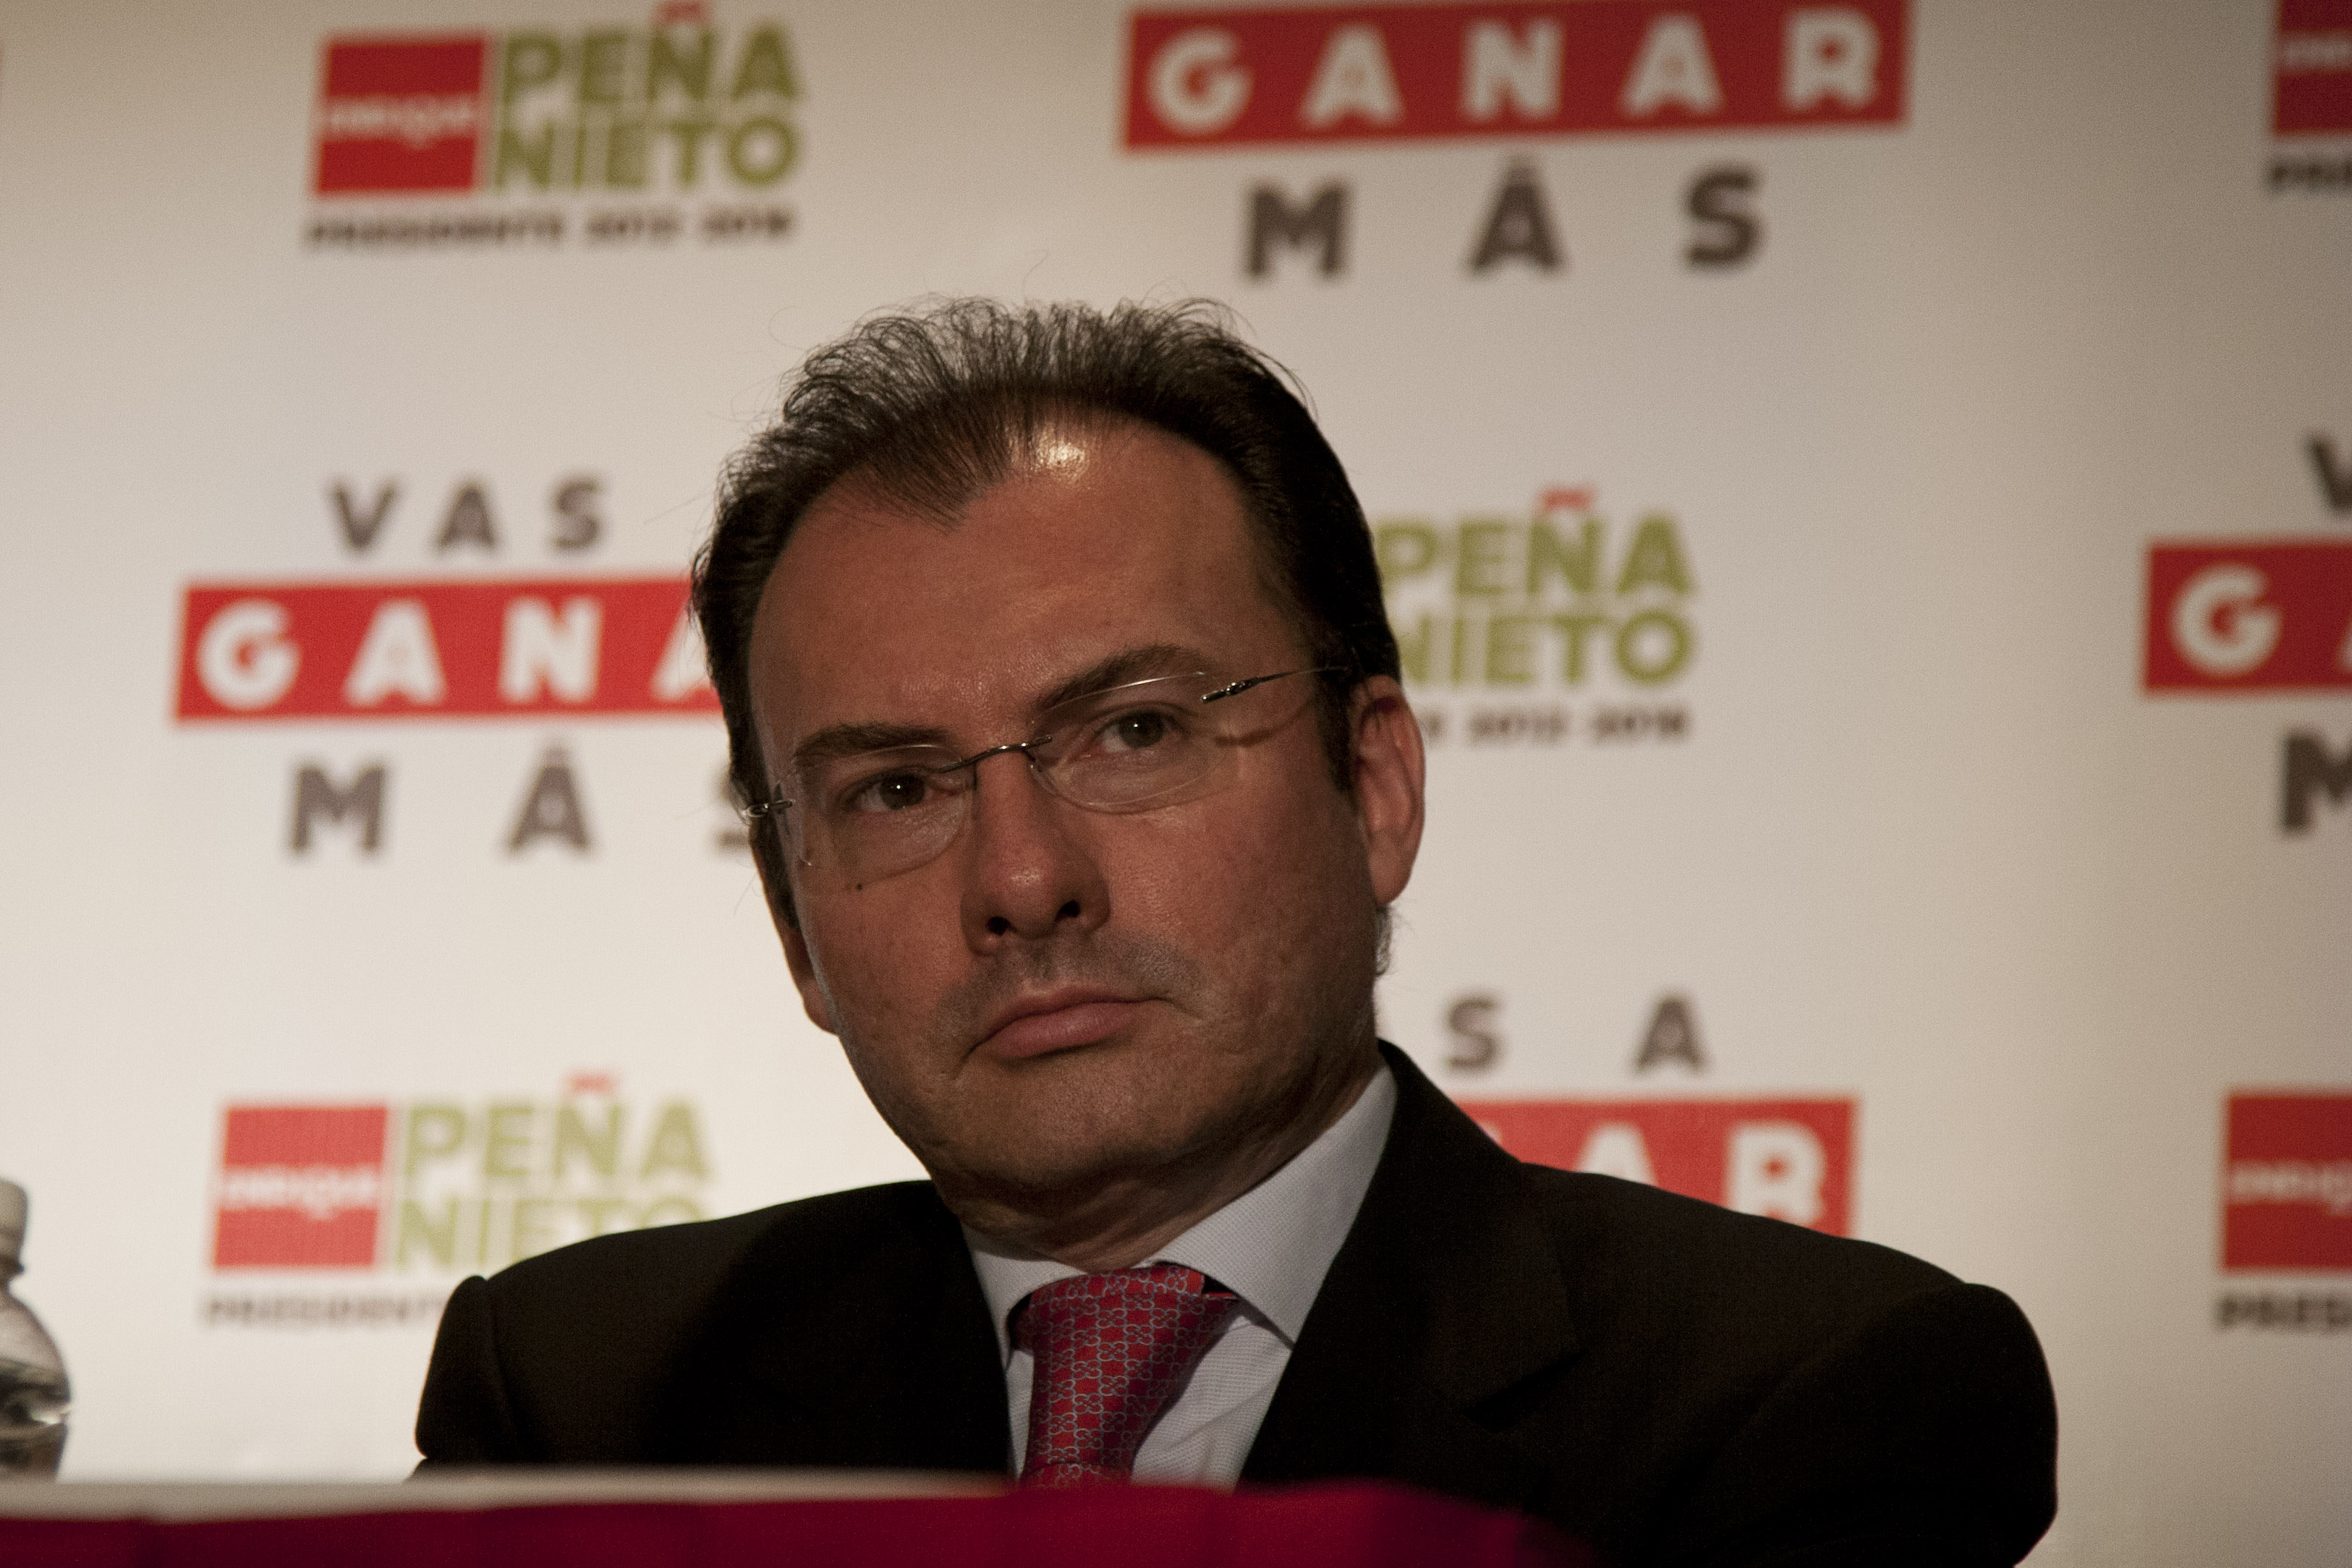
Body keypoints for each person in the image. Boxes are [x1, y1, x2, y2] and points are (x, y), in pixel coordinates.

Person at [416, 299, 2058, 1564]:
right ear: (794, 926)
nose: (1022, 878)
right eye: (897, 789)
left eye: (1135, 730)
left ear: (1376, 785)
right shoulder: (587, 1409)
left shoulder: (1801, 1401)